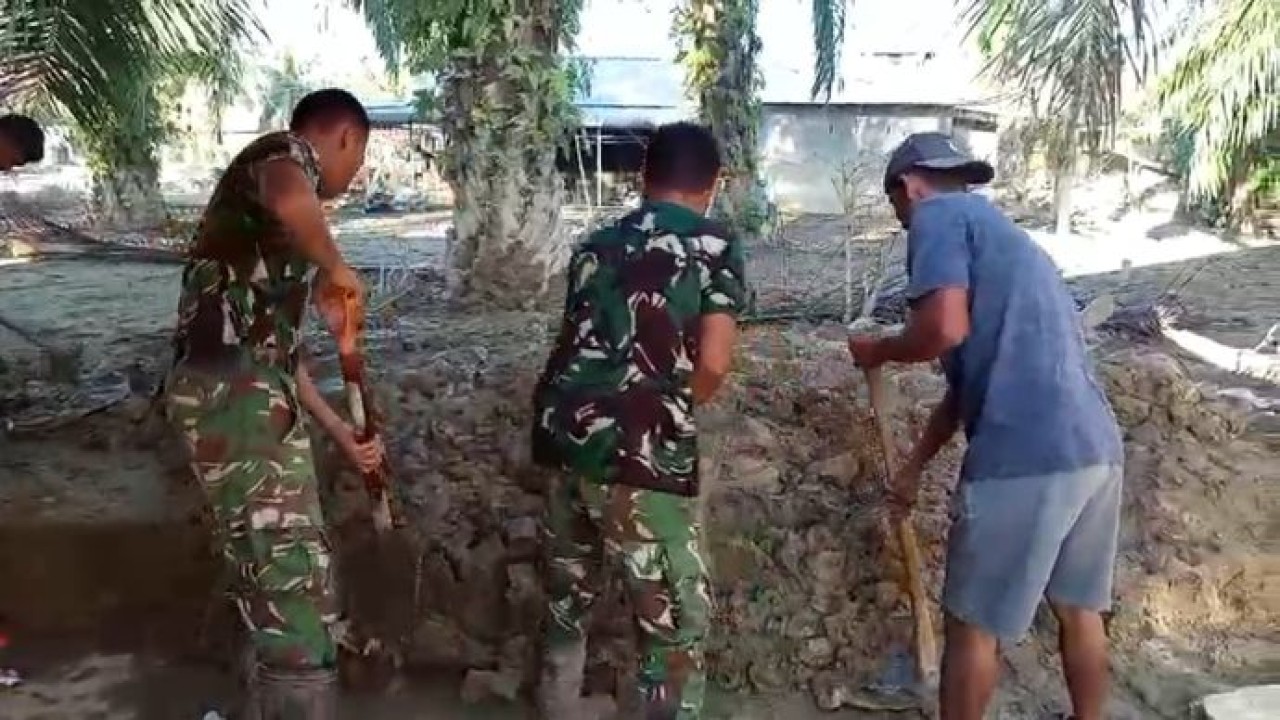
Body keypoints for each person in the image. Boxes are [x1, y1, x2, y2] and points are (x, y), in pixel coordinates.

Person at [847, 132, 1124, 720]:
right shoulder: (1009, 242)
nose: (901, 221)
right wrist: (914, 469)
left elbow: (942, 328)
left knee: (972, 626)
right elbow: (964, 388)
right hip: (1096, 449)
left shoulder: (937, 217)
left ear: (910, 186)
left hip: (1025, 453)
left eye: (896, 207)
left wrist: (880, 351)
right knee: (1079, 609)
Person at [162, 88, 383, 719]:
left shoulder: (275, 237)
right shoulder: (283, 157)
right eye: (358, 159)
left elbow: (284, 359)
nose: (354, 174)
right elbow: (290, 193)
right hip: (232, 394)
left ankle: (283, 694)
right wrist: (336, 265)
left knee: (283, 568)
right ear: (345, 138)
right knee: (289, 577)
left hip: (249, 392)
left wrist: (344, 435)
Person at [531, 121, 746, 720]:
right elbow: (714, 362)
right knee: (675, 620)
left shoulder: (594, 245)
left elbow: (587, 343)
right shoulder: (714, 244)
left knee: (569, 589)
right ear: (714, 184)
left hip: (561, 433)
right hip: (640, 446)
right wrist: (672, 408)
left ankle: (557, 703)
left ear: (644, 177)